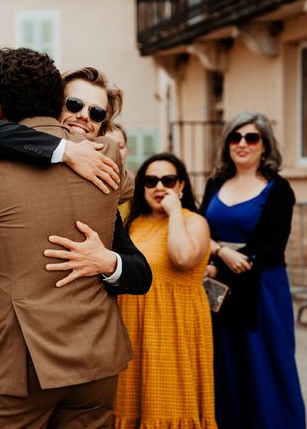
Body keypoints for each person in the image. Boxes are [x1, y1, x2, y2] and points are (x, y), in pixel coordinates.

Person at [0, 66, 152, 427]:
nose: (83, 116)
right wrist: (63, 150)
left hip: (67, 359)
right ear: (51, 103)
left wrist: (107, 260)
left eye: (97, 114)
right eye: (74, 103)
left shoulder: (101, 174)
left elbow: (140, 272)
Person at [199, 112, 306, 428]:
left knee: (267, 365)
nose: (242, 144)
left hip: (263, 288)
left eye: (251, 138)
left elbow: (273, 245)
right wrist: (218, 253)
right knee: (227, 362)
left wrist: (229, 261)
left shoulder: (278, 189)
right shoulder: (215, 182)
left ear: (264, 146)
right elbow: (202, 228)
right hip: (219, 288)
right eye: (235, 137)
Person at [115, 152, 216, 428]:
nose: (159, 187)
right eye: (150, 181)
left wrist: (173, 213)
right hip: (133, 328)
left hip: (174, 329)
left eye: (168, 180)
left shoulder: (194, 222)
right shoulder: (132, 224)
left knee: (168, 406)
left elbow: (182, 257)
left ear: (181, 185)